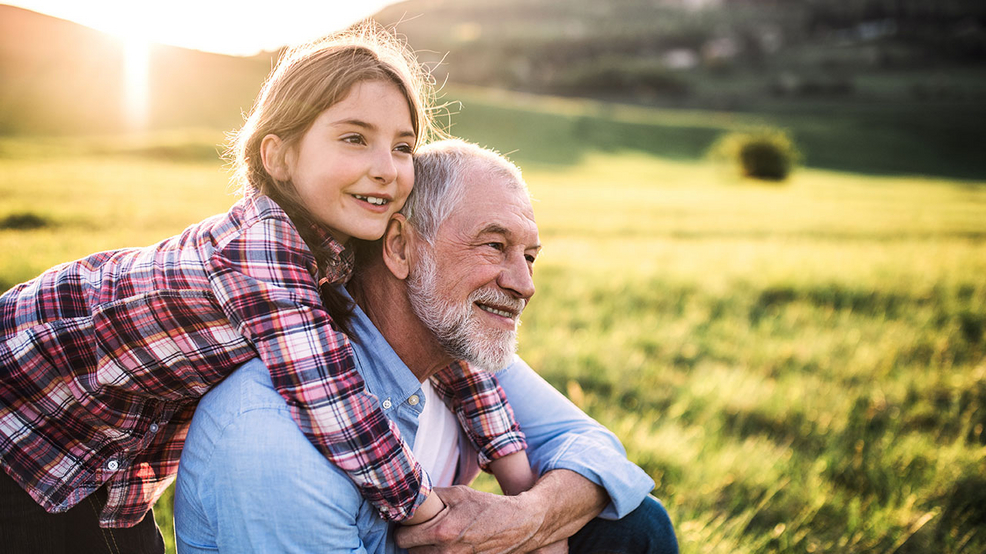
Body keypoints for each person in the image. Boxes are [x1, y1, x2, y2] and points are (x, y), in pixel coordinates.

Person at [0, 25, 535, 553]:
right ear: (278, 157)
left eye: (402, 147)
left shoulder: (340, 242)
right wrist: (433, 516)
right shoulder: (261, 249)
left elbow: (444, 338)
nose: (385, 169)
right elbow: (333, 402)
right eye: (355, 138)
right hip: (25, 415)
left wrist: (518, 481)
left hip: (106, 451)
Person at [174, 139, 679, 553]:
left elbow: (600, 453)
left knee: (637, 526)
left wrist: (525, 518)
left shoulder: (459, 353)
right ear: (400, 247)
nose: (525, 285)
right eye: (494, 245)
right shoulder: (274, 432)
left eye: (529, 256)